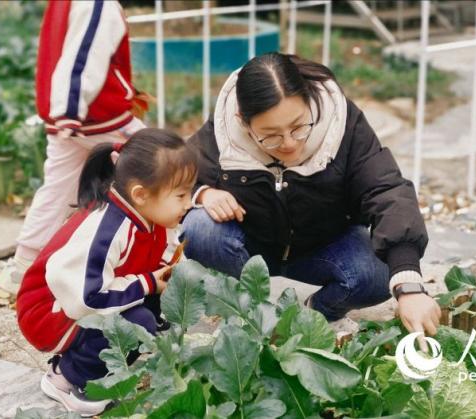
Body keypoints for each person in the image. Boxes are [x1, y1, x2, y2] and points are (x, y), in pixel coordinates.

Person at [181, 52, 441, 341]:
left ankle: (312, 316)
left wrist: (409, 286)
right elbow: (176, 176)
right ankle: (253, 315)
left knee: (378, 274)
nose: (290, 144)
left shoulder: (341, 124)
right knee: (200, 228)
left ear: (309, 101)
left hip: (323, 245)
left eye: (298, 126)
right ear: (243, 121)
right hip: (251, 243)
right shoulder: (224, 132)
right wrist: (203, 194)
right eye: (271, 135)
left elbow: (385, 189)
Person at [16, 129, 197, 416]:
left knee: (151, 302)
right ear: (140, 194)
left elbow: (162, 254)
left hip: (89, 293)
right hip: (50, 309)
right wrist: (148, 283)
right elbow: (88, 297)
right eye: (181, 194)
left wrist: (168, 274)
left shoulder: (151, 215)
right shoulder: (107, 229)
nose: (189, 203)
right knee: (138, 323)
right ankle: (68, 378)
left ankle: (102, 364)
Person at [0, 0, 149, 294]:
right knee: (160, 164)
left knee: (56, 188)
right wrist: (69, 110)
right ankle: (166, 251)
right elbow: (84, 56)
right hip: (96, 115)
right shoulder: (98, 4)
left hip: (68, 114)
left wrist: (62, 112)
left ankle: (24, 264)